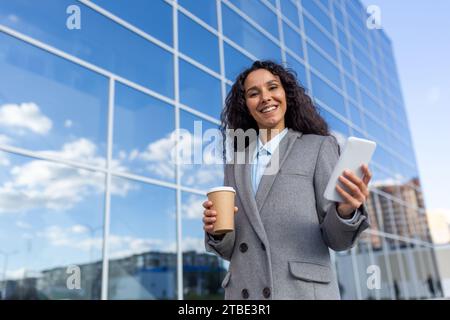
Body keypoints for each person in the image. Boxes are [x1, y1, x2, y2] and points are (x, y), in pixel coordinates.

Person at [202, 60, 371, 300]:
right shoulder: (235, 164)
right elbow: (232, 250)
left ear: (286, 95)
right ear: (246, 105)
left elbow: (336, 239)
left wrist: (345, 211)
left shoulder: (319, 147)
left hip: (299, 292)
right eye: (253, 93)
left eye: (273, 87)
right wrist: (217, 231)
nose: (265, 97)